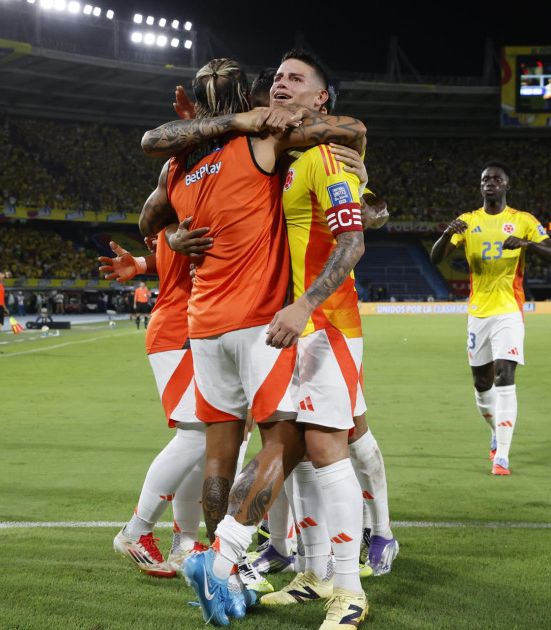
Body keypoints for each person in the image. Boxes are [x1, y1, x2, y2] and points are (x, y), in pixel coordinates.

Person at [139, 57, 366, 627]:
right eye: (273, 81)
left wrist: (169, 232)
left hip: (240, 322)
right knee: (294, 445)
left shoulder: (185, 160)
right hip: (262, 322)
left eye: (294, 80)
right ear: (249, 99)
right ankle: (261, 567)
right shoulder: (267, 140)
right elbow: (354, 128)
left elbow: (150, 203)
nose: (279, 87)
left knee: (240, 455)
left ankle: (250, 562)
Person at [430, 161, 551, 475]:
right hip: (478, 313)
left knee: (505, 376)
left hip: (509, 310)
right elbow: (436, 258)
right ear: (481, 186)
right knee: (481, 384)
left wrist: (527, 243)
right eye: (485, 178)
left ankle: (502, 455)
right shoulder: (467, 221)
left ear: (506, 185)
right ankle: (494, 432)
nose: (491, 182)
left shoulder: (522, 220)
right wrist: (448, 231)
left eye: (497, 178)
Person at [99, 239, 209, 579]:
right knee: (198, 436)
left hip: (192, 328)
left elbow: (174, 249)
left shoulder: (191, 197)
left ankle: (185, 543)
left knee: (204, 443)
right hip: (180, 330)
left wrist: (147, 263)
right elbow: (163, 222)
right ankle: (136, 531)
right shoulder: (187, 192)